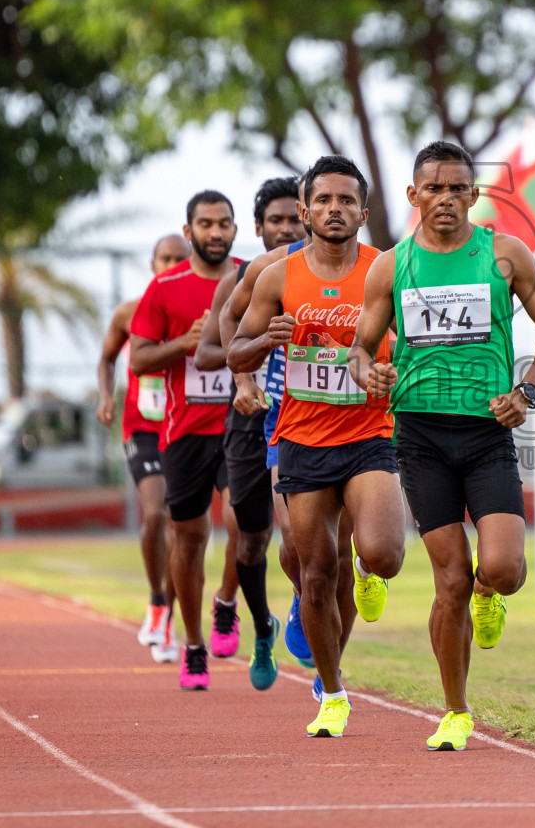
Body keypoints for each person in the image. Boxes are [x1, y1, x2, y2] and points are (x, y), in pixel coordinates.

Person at [349, 140, 535, 752]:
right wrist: (368, 373)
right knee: (447, 579)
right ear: (413, 194)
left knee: (501, 568)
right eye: (433, 188)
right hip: (419, 435)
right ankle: (455, 710)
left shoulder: (503, 255)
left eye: (457, 188)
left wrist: (525, 389)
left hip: (486, 434)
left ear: (474, 195)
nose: (445, 199)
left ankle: (489, 593)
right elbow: (361, 350)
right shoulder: (391, 267)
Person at [231, 156, 406, 738]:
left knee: (381, 553)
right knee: (312, 571)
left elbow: (410, 346)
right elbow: (234, 352)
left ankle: (370, 571)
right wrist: (262, 342)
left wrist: (390, 372)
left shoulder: (387, 269)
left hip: (368, 432)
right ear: (305, 210)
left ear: (362, 209)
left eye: (346, 200)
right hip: (302, 438)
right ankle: (331, 692)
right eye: (323, 200)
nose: (335, 210)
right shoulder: (278, 276)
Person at [190, 178, 307, 689]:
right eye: (274, 221)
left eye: (291, 219)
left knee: (299, 537)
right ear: (257, 228)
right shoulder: (239, 279)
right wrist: (247, 367)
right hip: (247, 417)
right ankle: (263, 625)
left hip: (305, 415)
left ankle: (309, 603)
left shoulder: (323, 272)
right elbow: (209, 352)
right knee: (250, 538)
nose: (284, 228)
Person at [128, 190, 239, 690]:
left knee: (246, 526)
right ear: (189, 228)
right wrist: (185, 344)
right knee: (189, 537)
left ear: (236, 229)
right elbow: (139, 359)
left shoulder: (250, 276)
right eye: (206, 224)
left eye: (224, 223)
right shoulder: (165, 288)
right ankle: (193, 643)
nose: (215, 232)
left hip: (240, 426)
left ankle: (226, 602)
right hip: (184, 432)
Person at [96, 234, 190, 664]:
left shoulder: (199, 313)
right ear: (152, 264)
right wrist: (104, 396)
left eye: (179, 259)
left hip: (186, 427)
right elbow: (107, 358)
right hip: (142, 428)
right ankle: (156, 599)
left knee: (182, 527)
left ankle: (167, 616)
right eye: (165, 258)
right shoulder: (129, 312)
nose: (171, 264)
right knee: (155, 512)